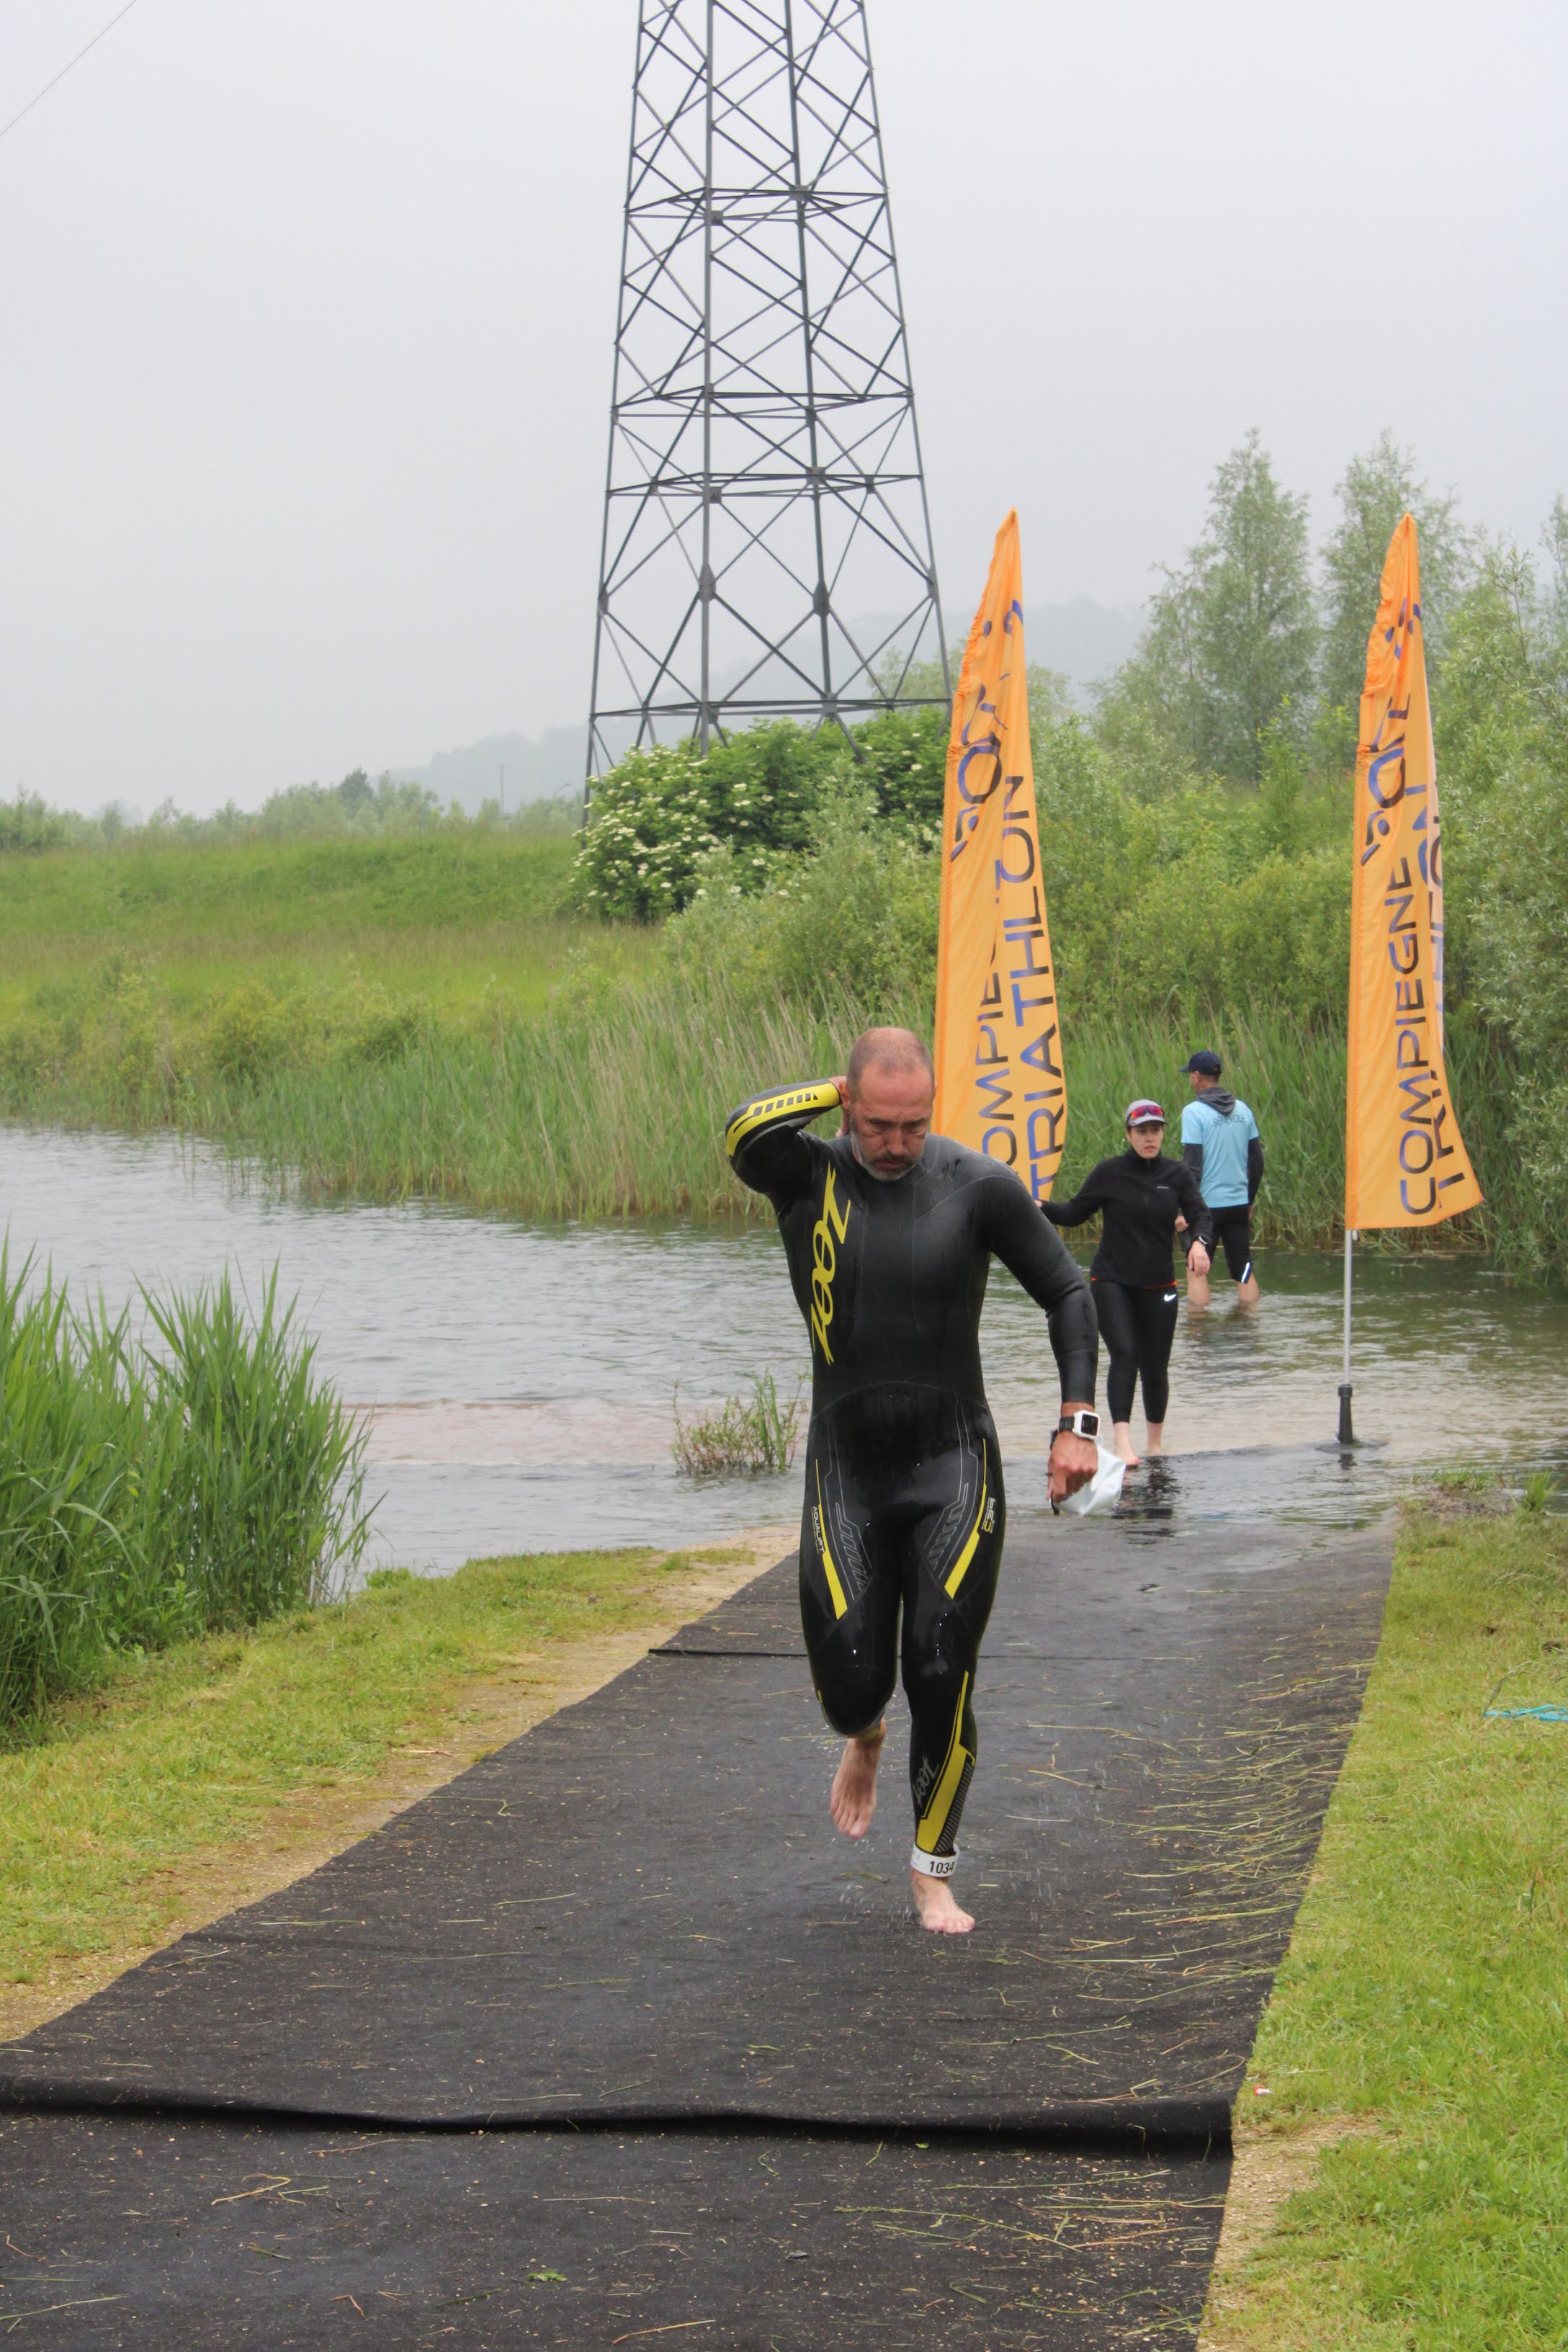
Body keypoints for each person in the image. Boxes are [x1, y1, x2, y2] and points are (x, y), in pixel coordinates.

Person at [725, 1027, 1099, 1938]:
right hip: (845, 1473)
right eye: (878, 1124)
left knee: (939, 1665)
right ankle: (864, 1734)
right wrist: (831, 1093)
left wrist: (1076, 1422)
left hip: (952, 1464)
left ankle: (932, 1872)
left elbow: (1068, 1292)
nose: (896, 1144)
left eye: (914, 1125)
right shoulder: (804, 1176)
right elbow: (741, 1130)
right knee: (853, 1688)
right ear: (848, 1103)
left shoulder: (977, 1185)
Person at [1041, 1101, 1214, 1468]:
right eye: (1142, 1131)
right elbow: (1074, 1212)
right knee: (1125, 1354)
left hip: (1159, 1284)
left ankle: (1155, 1446)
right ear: (1128, 1134)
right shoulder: (1110, 1172)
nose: (1150, 1138)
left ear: (1162, 1133)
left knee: (1156, 1365)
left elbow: (1201, 1215)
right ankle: (1123, 1444)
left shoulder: (1177, 1174)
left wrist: (1199, 1243)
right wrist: (1036, 1205)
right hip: (1112, 1280)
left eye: (1155, 1130)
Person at [1178, 1050, 1263, 1307]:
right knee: (1243, 1267)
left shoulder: (1193, 1112)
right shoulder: (1243, 1110)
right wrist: (1249, 1200)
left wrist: (1183, 1209)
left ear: (1196, 1076)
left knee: (1196, 1268)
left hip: (1205, 1209)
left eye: (1190, 1076)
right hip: (1238, 1204)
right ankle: (1250, 1321)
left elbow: (1192, 1167)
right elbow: (1257, 1161)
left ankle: (1198, 1328)